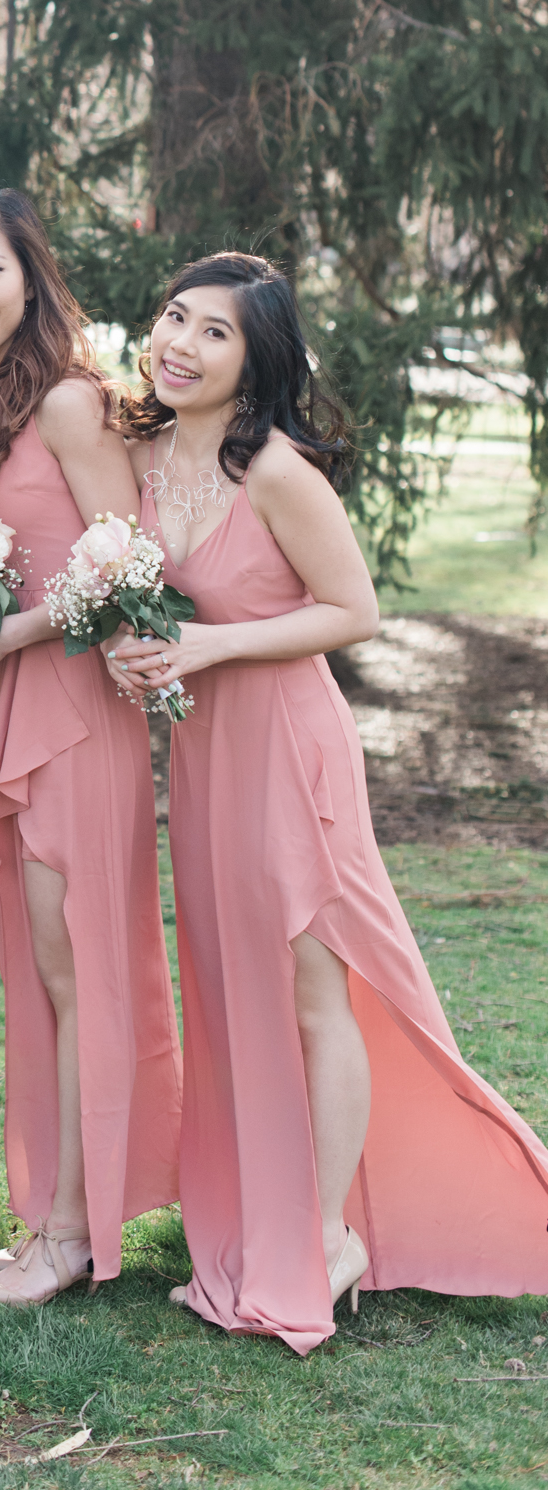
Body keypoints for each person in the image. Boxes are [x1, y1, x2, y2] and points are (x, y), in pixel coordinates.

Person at [116, 252, 548, 1352]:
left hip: (289, 749)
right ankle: (256, 1215)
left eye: (213, 332)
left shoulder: (273, 468)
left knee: (315, 986)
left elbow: (350, 610)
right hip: (208, 751)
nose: (180, 343)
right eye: (174, 317)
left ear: (254, 360)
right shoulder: (147, 451)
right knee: (230, 981)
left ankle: (324, 1232)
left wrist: (212, 642)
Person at [0, 188, 181, 1305]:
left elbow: (126, 567)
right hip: (2, 701)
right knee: (38, 965)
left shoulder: (68, 402)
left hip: (67, 711)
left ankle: (70, 1233)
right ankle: (53, 1215)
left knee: (71, 967)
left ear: (31, 279)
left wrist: (6, 630)